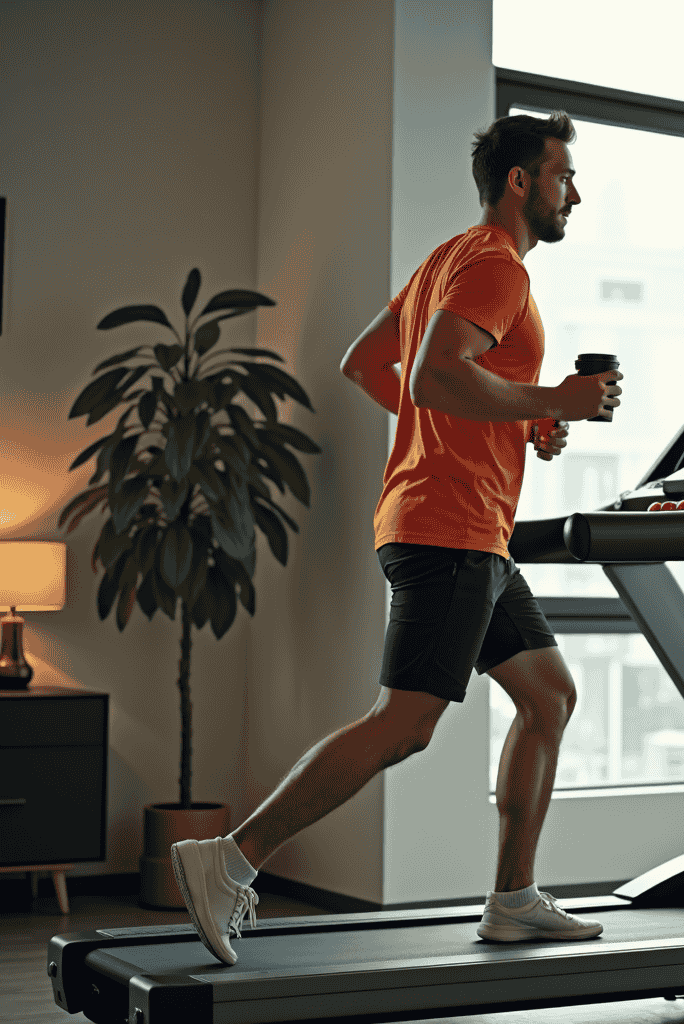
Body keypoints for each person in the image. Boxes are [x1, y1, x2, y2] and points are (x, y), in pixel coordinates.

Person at [170, 110, 625, 966]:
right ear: (521, 181)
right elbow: (432, 374)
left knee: (548, 696)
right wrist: (553, 405)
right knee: (407, 723)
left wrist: (509, 428)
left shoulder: (445, 260)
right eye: (563, 175)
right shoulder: (494, 264)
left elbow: (367, 364)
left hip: (469, 526)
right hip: (449, 525)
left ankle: (514, 899)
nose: (575, 192)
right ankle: (229, 860)